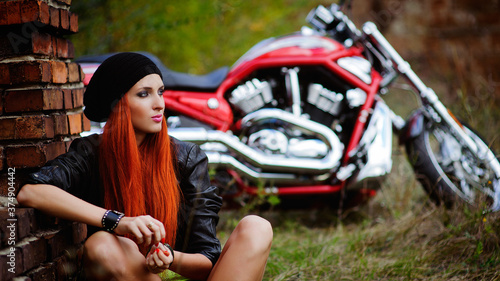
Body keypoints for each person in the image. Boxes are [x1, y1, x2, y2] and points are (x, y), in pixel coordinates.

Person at [17, 52, 273, 281]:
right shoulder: (91, 153)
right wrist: (117, 222)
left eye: (160, 92)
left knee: (257, 227)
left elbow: (208, 262)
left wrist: (171, 258)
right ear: (117, 104)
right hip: (129, 271)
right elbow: (31, 191)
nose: (159, 104)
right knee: (102, 244)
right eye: (144, 94)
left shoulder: (187, 158)